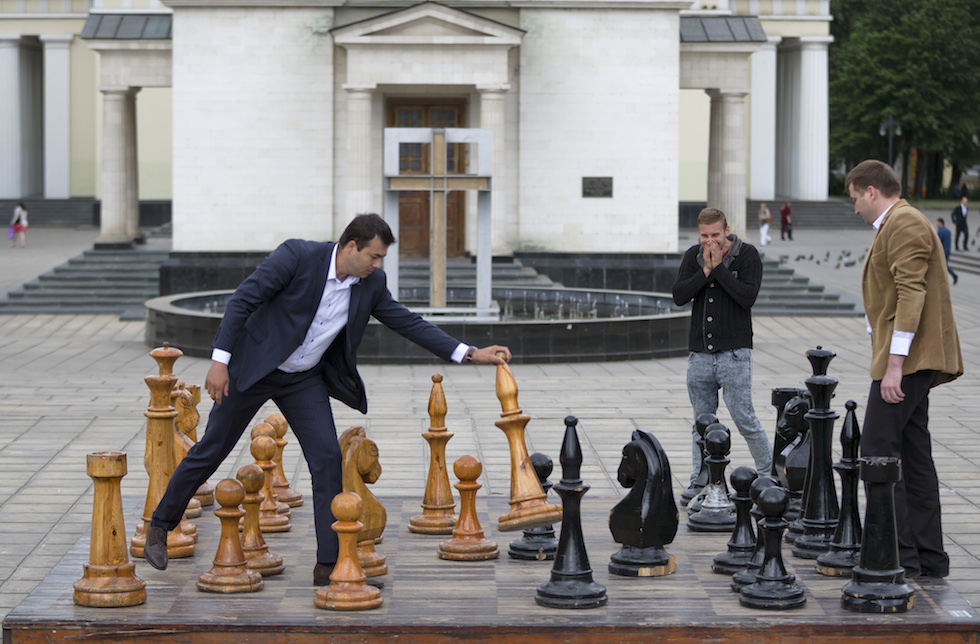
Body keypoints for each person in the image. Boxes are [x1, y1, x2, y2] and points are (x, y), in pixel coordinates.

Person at [142, 214, 512, 584]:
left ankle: (330, 564)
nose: (378, 265)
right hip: (254, 367)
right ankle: (160, 526)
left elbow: (408, 322)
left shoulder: (372, 284)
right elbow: (243, 300)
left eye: (381, 258)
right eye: (374, 256)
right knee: (211, 450)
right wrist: (219, 362)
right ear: (351, 247)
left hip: (303, 379)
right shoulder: (297, 256)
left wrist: (469, 353)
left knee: (327, 459)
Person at [845, 160, 962, 578]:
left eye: (855, 198)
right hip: (911, 360)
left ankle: (899, 556)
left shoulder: (904, 222)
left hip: (907, 363)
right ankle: (927, 558)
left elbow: (912, 293)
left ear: (871, 192)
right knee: (913, 458)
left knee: (876, 453)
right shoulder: (898, 222)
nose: (854, 207)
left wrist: (894, 365)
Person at [672, 207, 773, 485]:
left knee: (745, 419)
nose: (710, 241)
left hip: (734, 354)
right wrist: (706, 270)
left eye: (715, 235)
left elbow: (747, 297)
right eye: (704, 236)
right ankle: (700, 480)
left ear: (727, 231)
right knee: (701, 424)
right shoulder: (693, 256)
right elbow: (679, 295)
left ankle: (769, 475)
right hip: (700, 355)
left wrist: (718, 269)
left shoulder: (747, 255)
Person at [936, 218, 958, 285]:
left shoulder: (940, 231)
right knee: (944, 266)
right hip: (947, 251)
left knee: (942, 266)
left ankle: (952, 276)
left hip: (942, 251)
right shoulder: (948, 231)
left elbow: (938, 242)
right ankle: (953, 276)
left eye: (937, 223)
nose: (937, 225)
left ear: (940, 223)